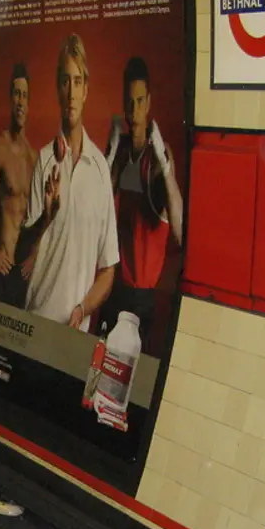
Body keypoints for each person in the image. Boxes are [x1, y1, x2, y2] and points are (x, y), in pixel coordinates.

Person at [20, 34, 117, 331]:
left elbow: (108, 269)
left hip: (73, 337)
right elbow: (23, 255)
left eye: (77, 82)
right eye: (65, 82)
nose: (72, 93)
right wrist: (46, 218)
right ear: (58, 90)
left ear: (86, 90)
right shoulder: (44, 162)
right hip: (34, 324)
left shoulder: (100, 170)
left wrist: (82, 309)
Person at [104, 56, 184, 347]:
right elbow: (95, 208)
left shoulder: (158, 158)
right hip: (114, 285)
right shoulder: (121, 152)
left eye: (140, 101)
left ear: (149, 103)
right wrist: (107, 157)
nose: (134, 110)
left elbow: (178, 230)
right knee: (99, 368)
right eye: (130, 101)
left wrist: (165, 168)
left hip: (142, 295)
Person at [0, 63, 38, 308]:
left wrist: (36, 255)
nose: (20, 101)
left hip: (23, 276)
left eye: (25, 96)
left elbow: (43, 218)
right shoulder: (1, 148)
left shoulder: (33, 157)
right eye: (16, 93)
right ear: (10, 99)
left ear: (29, 104)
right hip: (2, 269)